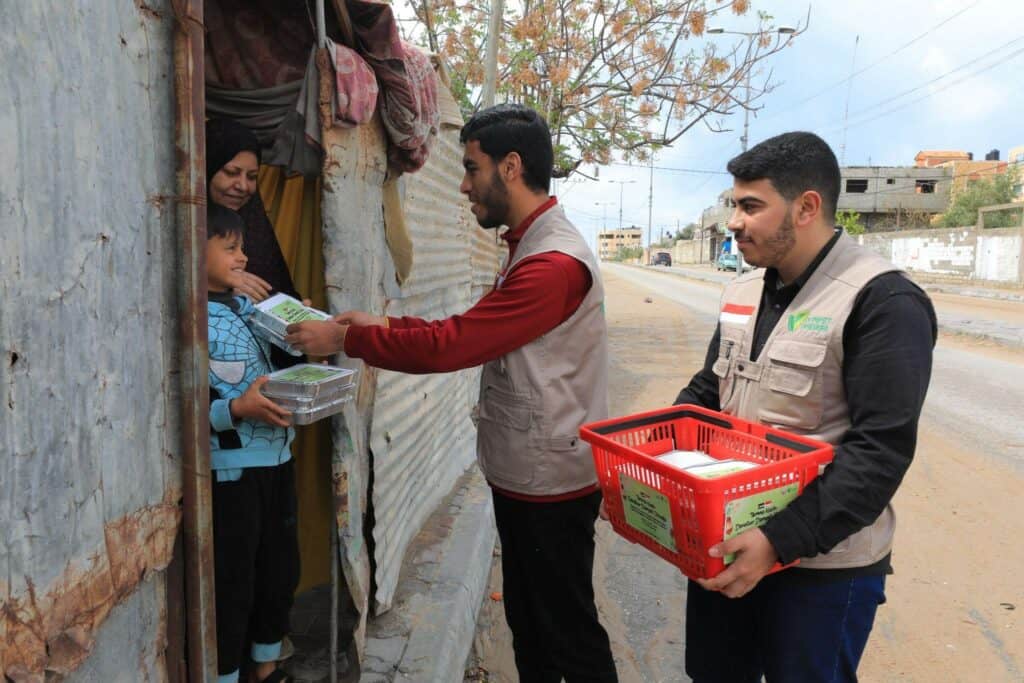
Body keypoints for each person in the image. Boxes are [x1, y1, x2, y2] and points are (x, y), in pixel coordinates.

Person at [284, 104, 619, 683]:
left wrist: (347, 337)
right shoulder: (529, 246)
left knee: (565, 633)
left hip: (551, 486)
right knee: (534, 625)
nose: (463, 185)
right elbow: (473, 329)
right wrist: (379, 327)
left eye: (471, 168)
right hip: (531, 475)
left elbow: (453, 345)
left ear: (510, 166)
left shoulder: (552, 264)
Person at [673, 132, 936, 682]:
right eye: (733, 205)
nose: (734, 222)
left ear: (807, 206)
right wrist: (665, 458)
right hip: (729, 543)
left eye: (750, 206)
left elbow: (878, 454)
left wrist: (777, 542)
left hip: (822, 568)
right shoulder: (742, 292)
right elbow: (708, 392)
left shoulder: (882, 301)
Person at [207, 203, 299, 683]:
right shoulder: (188, 320)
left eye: (242, 248)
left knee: (279, 571)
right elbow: (178, 411)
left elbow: (287, 355)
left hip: (280, 459)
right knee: (234, 582)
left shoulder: (251, 310)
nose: (242, 258)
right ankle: (225, 674)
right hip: (233, 470)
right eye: (230, 248)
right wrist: (234, 410)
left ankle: (265, 666)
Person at [206, 117, 300, 303]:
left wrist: (296, 310)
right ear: (205, 169)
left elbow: (278, 293)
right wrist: (221, 289)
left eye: (252, 177)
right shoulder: (177, 226)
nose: (243, 186)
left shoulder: (254, 227)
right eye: (231, 173)